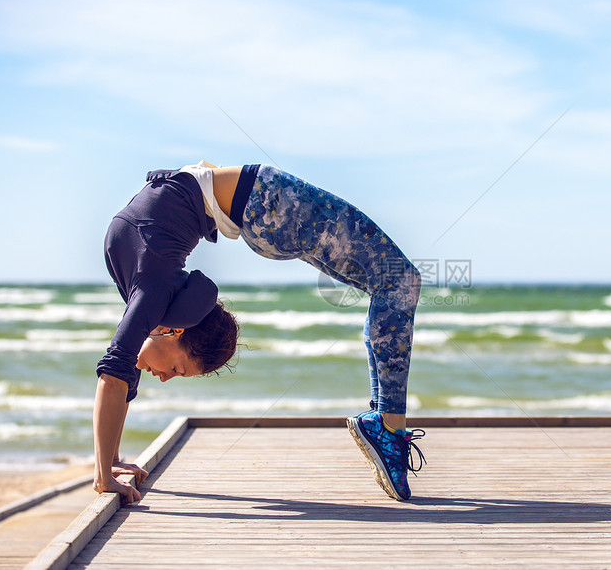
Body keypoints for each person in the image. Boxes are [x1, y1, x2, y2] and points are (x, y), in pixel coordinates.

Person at [94, 161, 425, 503]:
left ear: (176, 330)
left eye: (177, 370)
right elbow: (122, 372)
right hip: (264, 208)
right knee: (394, 284)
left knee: (398, 282)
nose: (164, 378)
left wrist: (104, 475)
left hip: (266, 202)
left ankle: (386, 427)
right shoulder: (153, 303)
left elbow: (115, 375)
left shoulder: (152, 293)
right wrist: (111, 460)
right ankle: (386, 425)